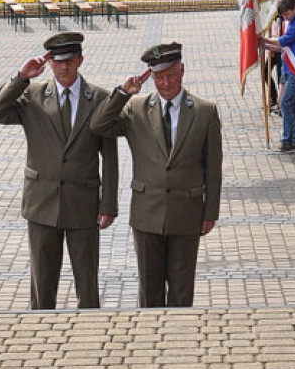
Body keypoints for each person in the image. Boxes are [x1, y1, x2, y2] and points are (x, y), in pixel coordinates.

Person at [0, 32, 118, 311]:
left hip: (83, 203)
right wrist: (21, 77)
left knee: (87, 281)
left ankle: (90, 333)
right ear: (50, 64)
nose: (64, 67)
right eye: (58, 62)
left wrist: (109, 204)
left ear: (80, 60)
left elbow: (110, 156)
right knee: (42, 284)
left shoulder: (101, 98)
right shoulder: (32, 95)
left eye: (70, 60)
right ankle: (42, 335)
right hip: (41, 203)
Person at [90, 42, 222, 309]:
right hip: (147, 214)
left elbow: (213, 167)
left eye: (171, 74)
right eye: (159, 77)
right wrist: (122, 93)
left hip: (187, 213)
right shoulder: (135, 108)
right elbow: (99, 125)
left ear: (182, 70)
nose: (165, 83)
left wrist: (211, 212)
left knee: (182, 290)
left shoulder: (204, 111)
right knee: (149, 291)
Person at [259, 0, 295, 151]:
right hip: (288, 67)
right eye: (283, 16)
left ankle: (288, 138)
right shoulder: (292, 21)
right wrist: (266, 46)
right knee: (294, 104)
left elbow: (284, 40)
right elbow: (284, 47)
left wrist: (264, 40)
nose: (285, 18)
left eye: (287, 14)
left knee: (286, 103)